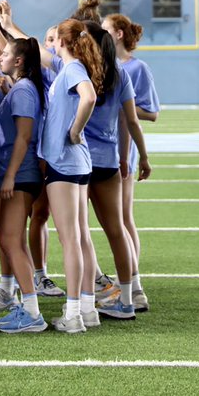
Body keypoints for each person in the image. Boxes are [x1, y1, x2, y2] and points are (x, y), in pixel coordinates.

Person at [80, 20, 150, 323]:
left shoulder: (78, 72)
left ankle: (85, 301)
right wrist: (135, 157)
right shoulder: (120, 74)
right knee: (116, 230)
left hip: (79, 160)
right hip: (108, 160)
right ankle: (129, 295)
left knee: (79, 233)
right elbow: (129, 121)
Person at [38, 18, 102, 333]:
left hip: (65, 162)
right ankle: (88, 309)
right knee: (81, 237)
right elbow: (38, 51)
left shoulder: (73, 68)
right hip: (76, 162)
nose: (49, 44)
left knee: (70, 240)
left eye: (53, 39)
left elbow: (88, 97)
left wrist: (74, 130)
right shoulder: (67, 65)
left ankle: (74, 313)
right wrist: (3, 24)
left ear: (62, 42)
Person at [0, 36, 49, 333]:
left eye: (5, 53)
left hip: (22, 174)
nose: (0, 56)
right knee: (14, 241)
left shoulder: (25, 90)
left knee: (11, 241)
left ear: (19, 61)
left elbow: (24, 136)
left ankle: (32, 312)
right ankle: (28, 307)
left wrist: (11, 175)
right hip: (17, 172)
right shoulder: (20, 88)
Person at [104, 13, 158, 311]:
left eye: (105, 30)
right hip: (104, 149)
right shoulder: (103, 67)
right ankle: (120, 284)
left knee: (123, 218)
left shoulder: (136, 69)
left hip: (121, 152)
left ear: (119, 34)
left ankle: (135, 287)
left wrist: (123, 102)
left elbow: (151, 113)